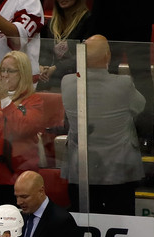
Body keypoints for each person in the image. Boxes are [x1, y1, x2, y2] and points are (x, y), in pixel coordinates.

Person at [60, 35, 145, 217]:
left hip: (81, 170)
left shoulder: (67, 82)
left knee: (83, 226)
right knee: (121, 225)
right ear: (107, 56)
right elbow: (140, 107)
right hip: (118, 172)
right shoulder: (123, 84)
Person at [0, 50, 47, 208]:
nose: (4, 75)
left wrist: (5, 99)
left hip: (20, 178)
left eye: (10, 71)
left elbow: (20, 129)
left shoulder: (34, 101)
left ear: (23, 73)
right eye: (2, 70)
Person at [13, 170, 81, 237]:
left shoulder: (62, 221)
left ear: (41, 191)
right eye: (17, 196)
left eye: (24, 197)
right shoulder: (20, 217)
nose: (18, 202)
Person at [36, 0, 94, 89]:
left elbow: (85, 54)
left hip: (79, 79)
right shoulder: (51, 24)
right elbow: (45, 51)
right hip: (53, 79)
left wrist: (55, 68)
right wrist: (43, 67)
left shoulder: (88, 20)